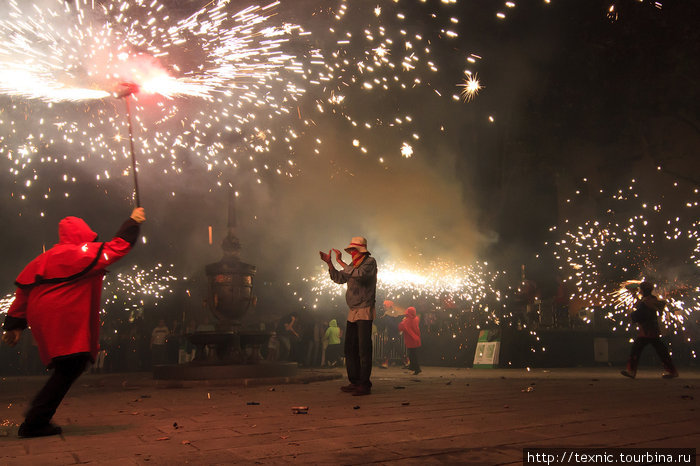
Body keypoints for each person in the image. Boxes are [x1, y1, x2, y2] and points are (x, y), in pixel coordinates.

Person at [1, 207, 145, 438]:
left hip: (42, 316)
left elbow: (23, 293)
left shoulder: (44, 258)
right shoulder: (83, 253)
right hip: (64, 314)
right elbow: (117, 248)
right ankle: (35, 421)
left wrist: (14, 325)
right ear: (84, 234)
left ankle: (37, 416)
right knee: (72, 365)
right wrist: (132, 222)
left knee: (67, 365)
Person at [319, 236, 377, 396]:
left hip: (365, 309)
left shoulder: (369, 262)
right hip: (352, 310)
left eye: (352, 250)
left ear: (359, 250)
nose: (351, 253)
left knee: (363, 349)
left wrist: (341, 262)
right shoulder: (353, 264)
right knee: (350, 348)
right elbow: (339, 278)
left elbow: (360, 275)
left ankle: (365, 384)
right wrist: (330, 263)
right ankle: (355, 381)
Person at [621, 281, 679, 379]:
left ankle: (631, 371)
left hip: (648, 331)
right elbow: (641, 305)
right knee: (661, 351)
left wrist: (633, 315)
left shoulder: (647, 301)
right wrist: (634, 295)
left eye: (641, 290)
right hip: (650, 331)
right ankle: (672, 371)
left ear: (643, 290)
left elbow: (641, 312)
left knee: (636, 350)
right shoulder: (650, 299)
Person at [398, 306, 422, 375]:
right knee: (414, 354)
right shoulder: (416, 318)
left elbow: (401, 327)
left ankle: (416, 368)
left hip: (411, 339)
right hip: (416, 339)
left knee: (412, 355)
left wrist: (403, 320)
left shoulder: (407, 320)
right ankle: (414, 367)